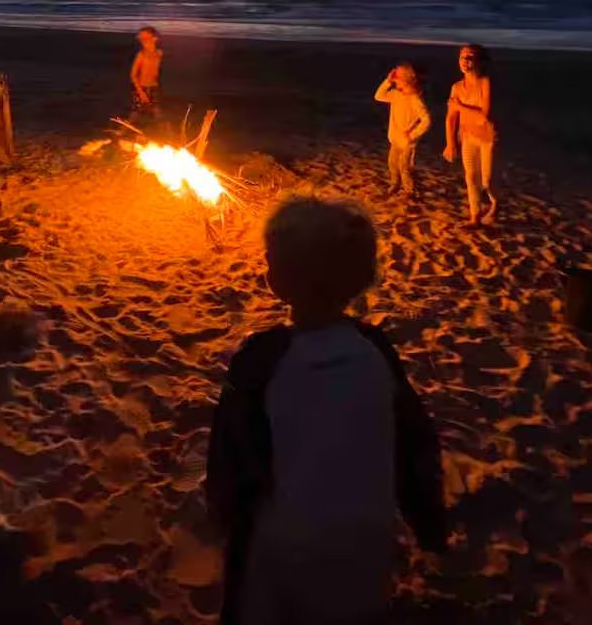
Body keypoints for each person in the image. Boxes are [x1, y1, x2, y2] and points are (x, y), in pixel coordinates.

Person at [206, 197, 447, 625]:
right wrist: (428, 522)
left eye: (272, 255)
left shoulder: (262, 359)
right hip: (363, 550)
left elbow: (233, 453)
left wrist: (226, 515)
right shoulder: (377, 350)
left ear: (287, 277)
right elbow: (414, 443)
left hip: (286, 553)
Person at [443, 44, 498, 226]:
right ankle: (475, 216)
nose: (465, 61)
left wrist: (459, 106)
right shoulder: (457, 87)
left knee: (487, 180)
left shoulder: (486, 83)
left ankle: (495, 203)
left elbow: (484, 116)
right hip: (468, 137)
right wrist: (450, 143)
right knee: (470, 177)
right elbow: (451, 118)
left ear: (480, 61)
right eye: (462, 56)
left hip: (488, 138)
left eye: (470, 57)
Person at [373, 62, 431, 196]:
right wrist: (387, 81)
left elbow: (426, 120)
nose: (394, 80)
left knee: (404, 167)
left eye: (397, 77)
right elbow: (378, 96)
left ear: (406, 80)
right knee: (392, 163)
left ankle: (410, 190)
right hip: (395, 138)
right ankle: (395, 183)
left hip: (408, 141)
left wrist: (412, 135)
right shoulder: (395, 94)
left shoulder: (415, 99)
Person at [130, 26, 164, 123]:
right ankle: (123, 129)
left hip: (154, 86)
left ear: (155, 38)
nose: (143, 41)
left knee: (157, 110)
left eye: (146, 38)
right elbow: (133, 75)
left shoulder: (159, 53)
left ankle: (163, 129)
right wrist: (140, 92)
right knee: (136, 112)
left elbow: (159, 71)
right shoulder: (141, 55)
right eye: (141, 39)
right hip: (141, 87)